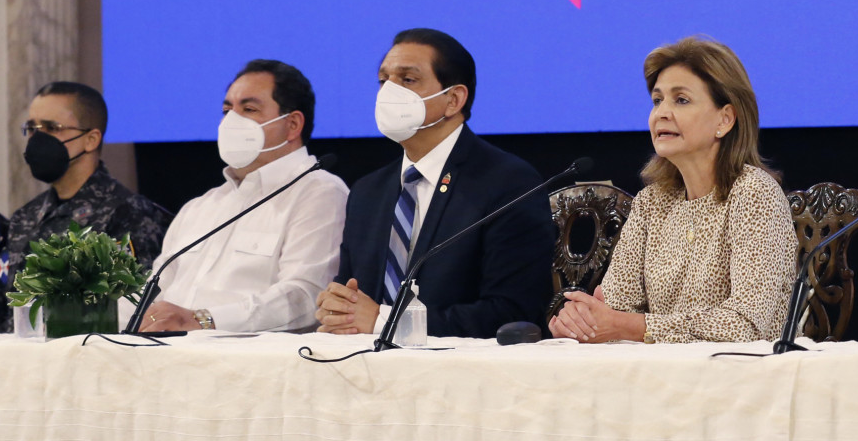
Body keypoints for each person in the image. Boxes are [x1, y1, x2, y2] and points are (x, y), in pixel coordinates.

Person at [550, 37, 795, 344]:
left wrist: (633, 326)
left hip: (743, 370)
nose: (661, 113)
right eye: (657, 100)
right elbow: (615, 309)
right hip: (664, 370)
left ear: (725, 119)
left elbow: (744, 326)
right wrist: (582, 322)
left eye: (681, 100)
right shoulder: (652, 203)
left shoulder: (754, 194)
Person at [315, 29, 553, 337]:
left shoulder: (509, 183)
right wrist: (338, 309)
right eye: (384, 80)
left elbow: (512, 312)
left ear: (453, 99)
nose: (389, 92)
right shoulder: (367, 192)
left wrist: (384, 322)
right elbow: (354, 297)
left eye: (408, 80)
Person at [139, 60, 348, 333]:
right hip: (163, 351)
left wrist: (203, 319)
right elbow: (151, 293)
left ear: (293, 124)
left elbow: (305, 297)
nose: (231, 121)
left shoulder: (319, 193)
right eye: (227, 110)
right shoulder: (201, 206)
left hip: (251, 356)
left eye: (249, 110)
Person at [0, 82, 173, 331]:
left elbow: (129, 312)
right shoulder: (25, 217)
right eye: (32, 128)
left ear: (91, 139)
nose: (38, 139)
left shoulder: (129, 214)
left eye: (51, 128)